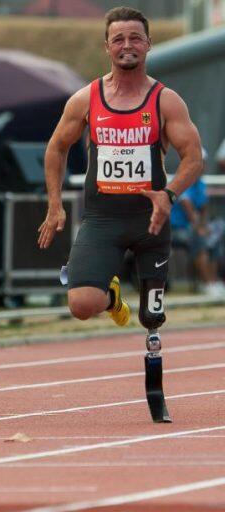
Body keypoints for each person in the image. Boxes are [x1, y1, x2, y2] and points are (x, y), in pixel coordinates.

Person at [38, 7, 202, 351]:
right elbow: (56, 148)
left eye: (135, 38)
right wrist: (55, 205)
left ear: (148, 44)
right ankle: (112, 296)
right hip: (102, 220)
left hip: (150, 221)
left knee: (151, 318)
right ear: (107, 47)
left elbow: (193, 158)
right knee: (81, 305)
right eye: (119, 39)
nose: (127, 45)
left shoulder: (166, 101)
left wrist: (169, 194)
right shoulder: (86, 99)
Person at [171, 149, 225, 296]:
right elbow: (189, 211)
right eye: (200, 162)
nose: (203, 166)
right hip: (175, 229)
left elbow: (203, 210)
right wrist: (200, 229)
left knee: (213, 239)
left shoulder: (200, 184)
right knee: (199, 239)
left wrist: (205, 227)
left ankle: (213, 282)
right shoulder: (182, 180)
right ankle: (207, 283)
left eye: (203, 163)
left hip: (191, 228)